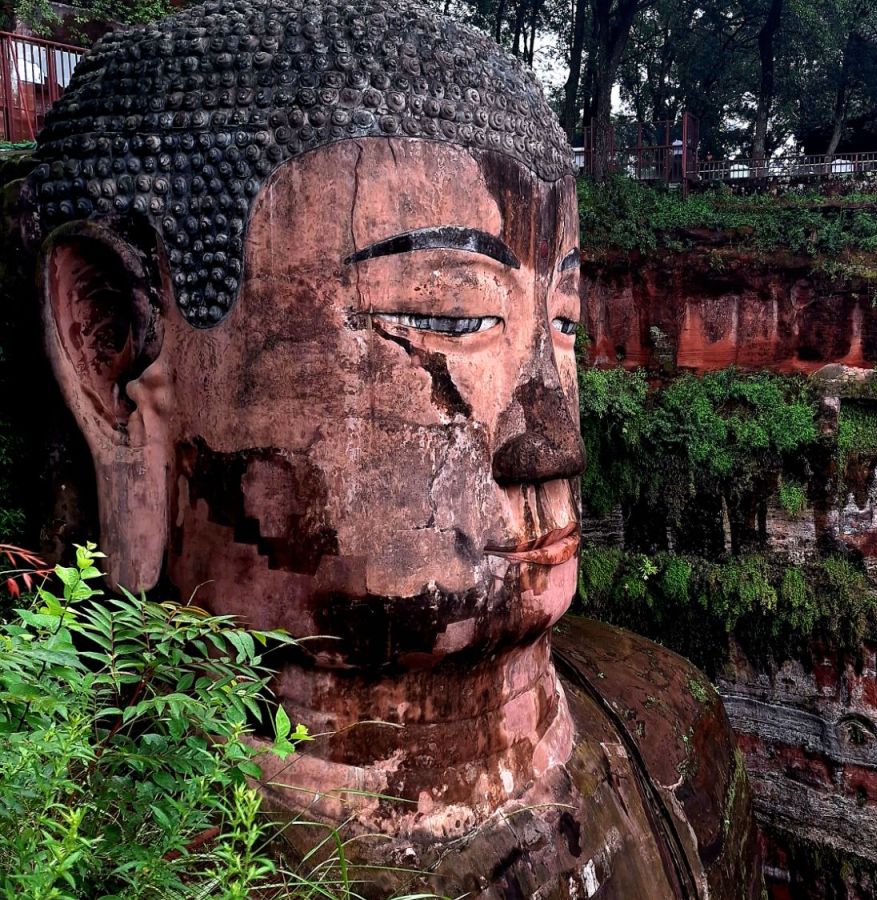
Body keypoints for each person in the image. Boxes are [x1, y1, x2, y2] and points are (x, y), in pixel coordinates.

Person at [23, 0, 759, 896]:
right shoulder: (94, 855)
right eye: (451, 316)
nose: (553, 442)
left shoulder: (667, 728)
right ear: (112, 348)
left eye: (563, 325)